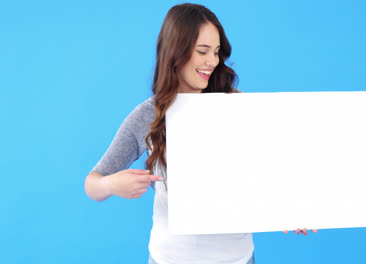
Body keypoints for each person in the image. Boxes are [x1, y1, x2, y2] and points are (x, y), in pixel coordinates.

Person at [84, 3, 316, 264]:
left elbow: (269, 173)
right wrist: (111, 184)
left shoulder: (238, 107)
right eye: (202, 51)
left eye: (216, 52)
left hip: (237, 259)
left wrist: (293, 207)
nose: (212, 61)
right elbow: (92, 183)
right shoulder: (148, 115)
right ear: (175, 51)